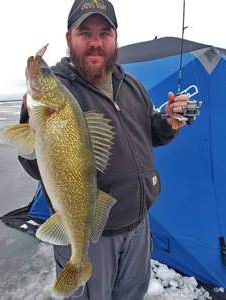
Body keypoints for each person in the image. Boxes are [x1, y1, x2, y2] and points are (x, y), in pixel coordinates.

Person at [19, 0, 188, 299]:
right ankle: (77, 262)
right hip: (90, 234)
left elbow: (150, 133)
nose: (96, 43)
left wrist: (167, 123)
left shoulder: (131, 84)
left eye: (104, 33)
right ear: (69, 38)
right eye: (85, 32)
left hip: (139, 224)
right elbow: (36, 166)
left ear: (115, 38)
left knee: (132, 293)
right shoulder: (58, 90)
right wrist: (33, 123)